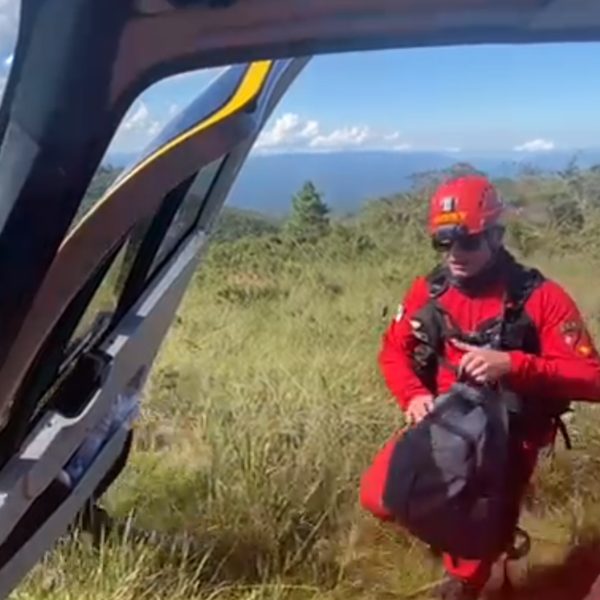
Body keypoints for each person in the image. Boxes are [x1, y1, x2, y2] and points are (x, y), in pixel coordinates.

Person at [360, 174, 600, 600]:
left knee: (472, 553)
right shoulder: (430, 291)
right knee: (381, 496)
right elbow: (393, 352)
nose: (455, 255)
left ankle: (471, 574)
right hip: (444, 420)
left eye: (468, 242)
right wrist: (413, 395)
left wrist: (514, 364)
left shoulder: (540, 299)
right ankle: (466, 538)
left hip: (508, 435)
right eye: (444, 243)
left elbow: (592, 378)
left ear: (496, 236)